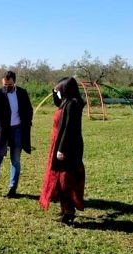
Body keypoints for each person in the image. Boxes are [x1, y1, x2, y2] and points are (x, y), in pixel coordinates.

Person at [39, 77, 86, 225]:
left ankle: (69, 212)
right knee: (60, 180)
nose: (58, 92)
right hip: (60, 145)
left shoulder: (73, 104)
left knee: (65, 181)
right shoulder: (67, 102)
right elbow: (58, 103)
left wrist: (61, 149)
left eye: (60, 90)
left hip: (67, 147)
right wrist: (54, 93)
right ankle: (65, 209)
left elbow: (68, 128)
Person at [0, 71, 33, 198]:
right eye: (4, 84)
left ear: (14, 82)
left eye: (9, 85)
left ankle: (12, 190)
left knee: (15, 160)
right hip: (2, 131)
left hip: (17, 130)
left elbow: (29, 109)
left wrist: (27, 122)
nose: (6, 87)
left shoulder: (22, 93)